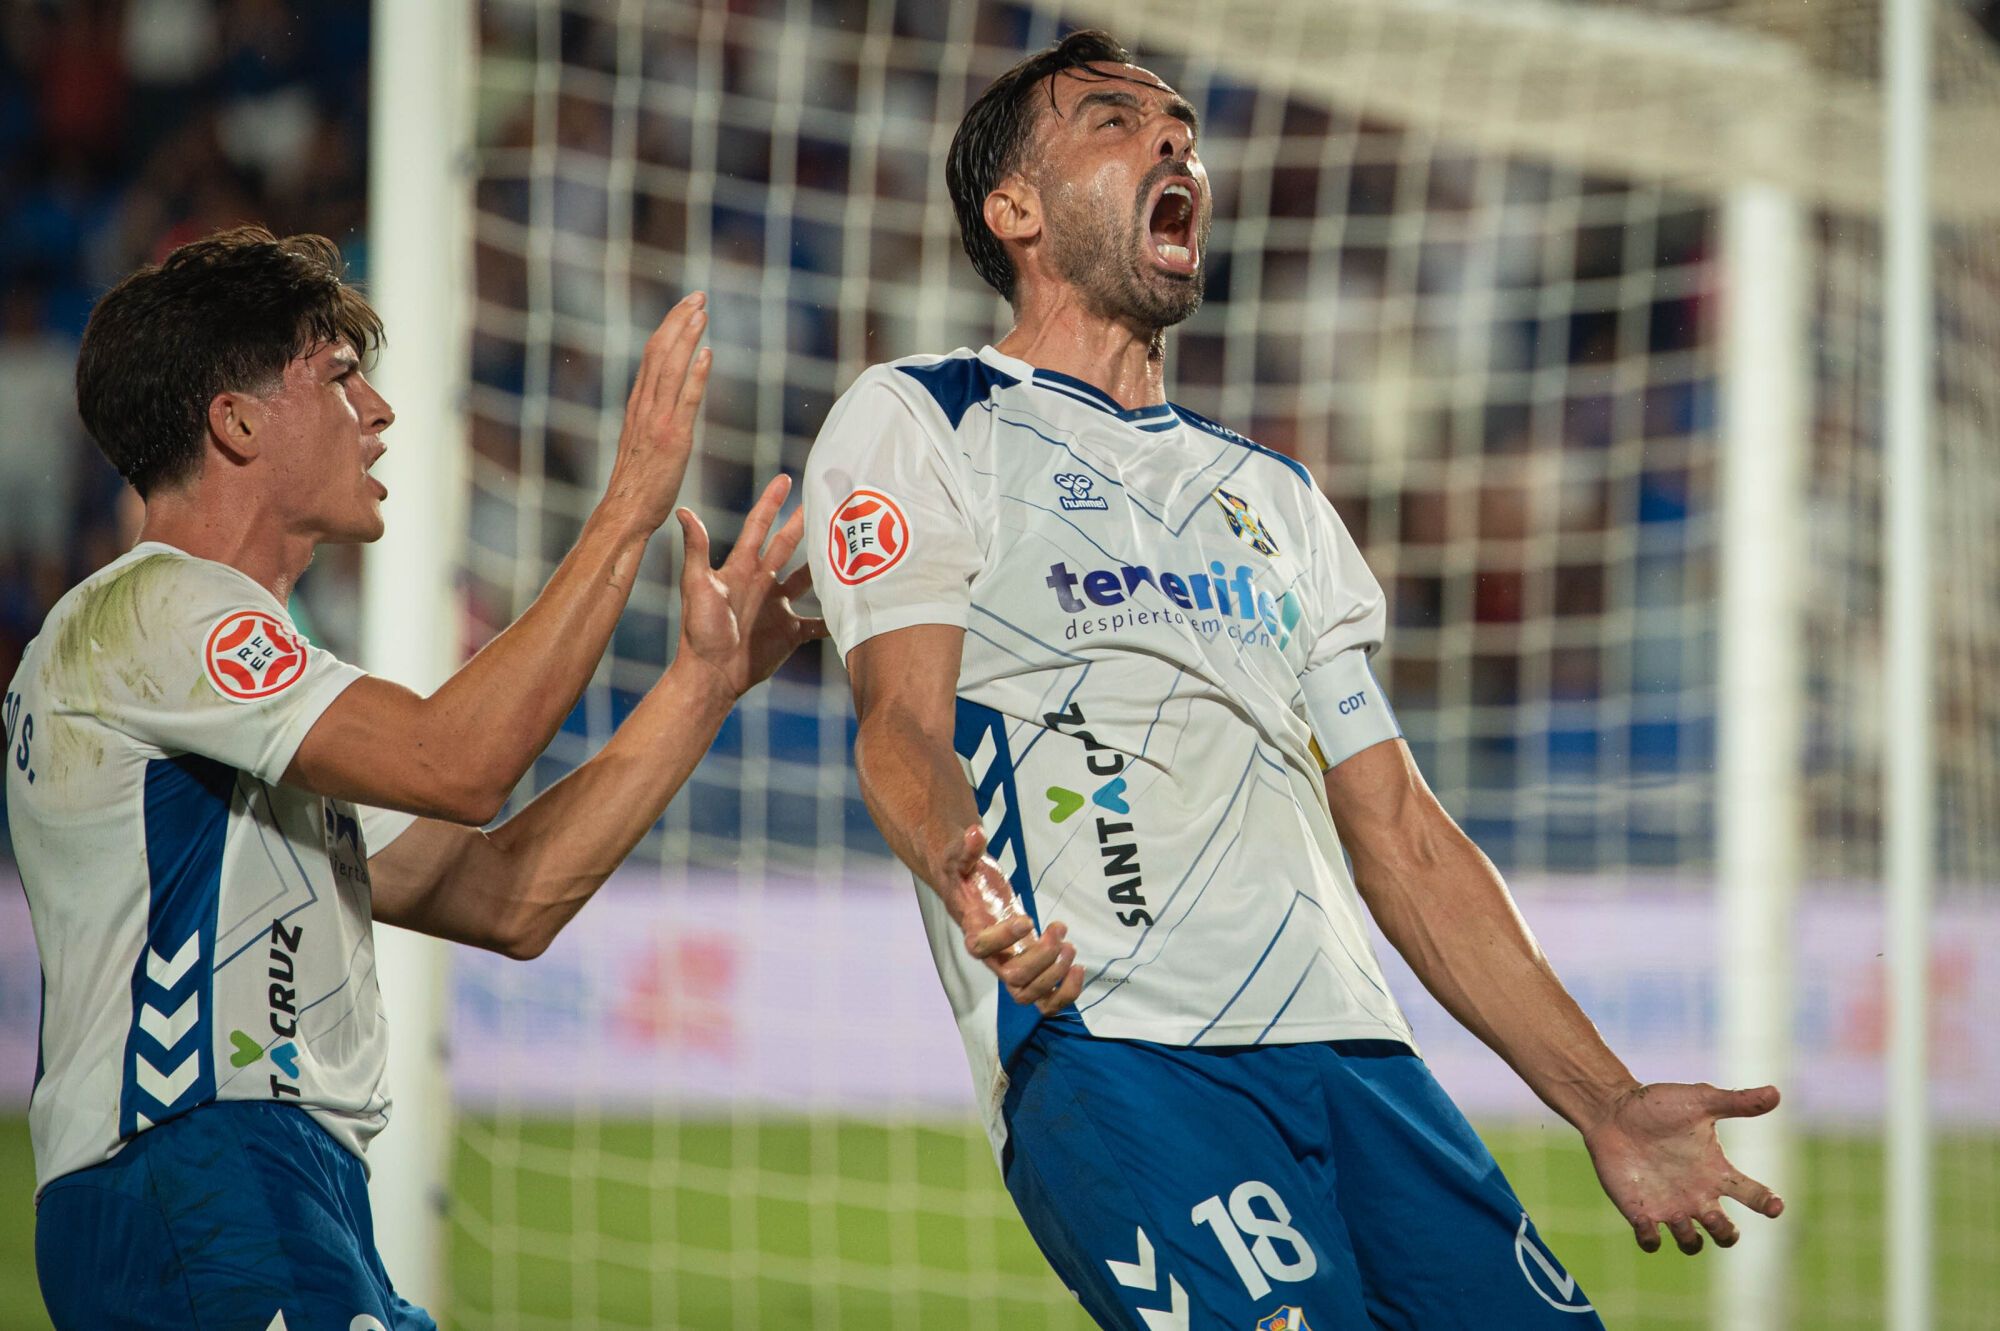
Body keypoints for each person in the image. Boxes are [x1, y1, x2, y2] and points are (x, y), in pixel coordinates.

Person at [803, 31, 1782, 1330]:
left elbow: (1404, 833)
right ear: (1014, 210)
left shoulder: (1277, 496)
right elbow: (901, 722)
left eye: (1181, 127)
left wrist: (1604, 1097)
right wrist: (964, 871)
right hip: (1121, 1046)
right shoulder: (925, 415)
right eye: (1113, 121)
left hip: (1362, 1060)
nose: (1172, 141)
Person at [7, 226, 824, 1330]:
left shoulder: (230, 689)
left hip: (267, 1183)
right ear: (236, 422)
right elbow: (457, 762)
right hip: (198, 1163)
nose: (380, 411)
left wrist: (703, 682)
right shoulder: (156, 607)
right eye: (340, 377)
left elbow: (506, 895)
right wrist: (628, 505)